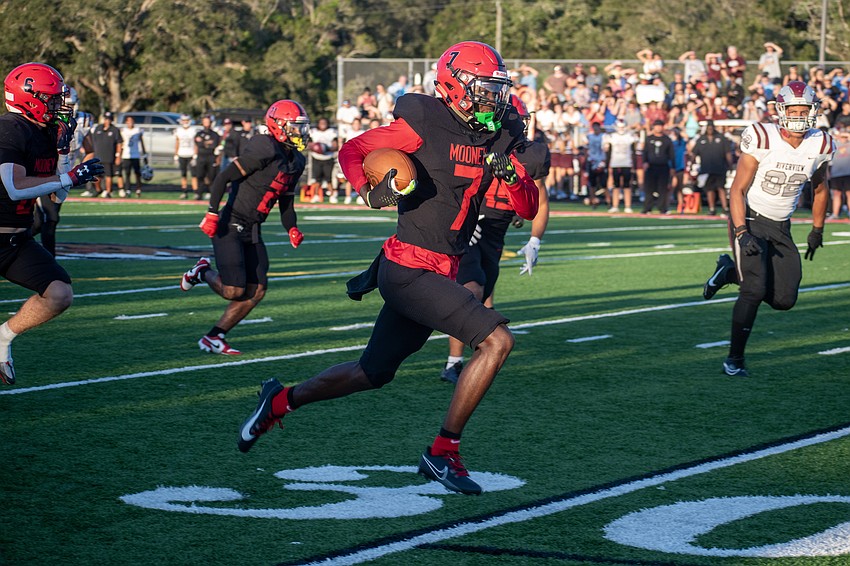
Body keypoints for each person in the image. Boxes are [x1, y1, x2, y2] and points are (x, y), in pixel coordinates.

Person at [235, 41, 538, 496]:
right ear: (454, 84)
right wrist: (368, 190)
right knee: (497, 341)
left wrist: (512, 177)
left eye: (497, 89)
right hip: (408, 268)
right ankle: (443, 453)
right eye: (484, 88)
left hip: (442, 268)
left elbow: (528, 207)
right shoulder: (425, 121)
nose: (493, 98)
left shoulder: (496, 135)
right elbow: (353, 151)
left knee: (371, 373)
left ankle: (279, 401)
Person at [702, 82, 834, 377]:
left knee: (785, 300)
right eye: (793, 111)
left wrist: (817, 229)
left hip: (781, 225)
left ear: (813, 112)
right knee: (754, 289)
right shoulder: (763, 137)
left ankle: (729, 272)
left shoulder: (821, 143)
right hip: (750, 218)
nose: (799, 116)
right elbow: (737, 190)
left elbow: (820, 188)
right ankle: (734, 360)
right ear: (781, 111)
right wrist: (741, 231)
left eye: (804, 111)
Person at [0, 62, 103, 385]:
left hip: (16, 239)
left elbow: (57, 197)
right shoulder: (9, 129)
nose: (59, 105)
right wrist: (70, 176)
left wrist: (64, 155)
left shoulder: (44, 132)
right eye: (53, 98)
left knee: (59, 294)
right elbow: (14, 187)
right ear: (30, 97)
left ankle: (2, 338)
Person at [180, 100, 309, 355]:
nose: (300, 132)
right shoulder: (264, 147)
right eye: (295, 126)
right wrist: (212, 212)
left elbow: (286, 201)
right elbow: (223, 177)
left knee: (257, 290)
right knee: (234, 290)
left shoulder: (297, 160)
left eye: (301, 127)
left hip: (253, 228)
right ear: (278, 125)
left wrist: (291, 228)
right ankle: (202, 272)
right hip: (230, 222)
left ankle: (214, 337)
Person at [441, 94, 550, 383]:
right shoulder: (479, 144)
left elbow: (539, 199)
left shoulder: (532, 154)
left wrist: (535, 239)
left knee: (485, 298)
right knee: (471, 291)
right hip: (471, 227)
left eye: (521, 121)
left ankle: (478, 358)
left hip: (496, 234)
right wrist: (464, 221)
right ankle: (453, 363)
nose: (518, 126)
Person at [689, 120, 732, 215]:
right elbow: (694, 153)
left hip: (720, 168)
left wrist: (730, 165)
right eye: (708, 128)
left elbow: (728, 153)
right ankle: (712, 208)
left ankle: (725, 208)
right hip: (706, 168)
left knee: (721, 187)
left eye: (711, 128)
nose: (710, 129)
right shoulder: (701, 139)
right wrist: (690, 165)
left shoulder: (721, 138)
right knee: (709, 189)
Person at [81, 112, 121, 198]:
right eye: (106, 119)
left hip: (109, 156)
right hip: (97, 156)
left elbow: (119, 143)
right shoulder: (98, 128)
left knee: (108, 175)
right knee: (96, 175)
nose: (107, 121)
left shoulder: (115, 130)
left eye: (109, 119)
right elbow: (91, 141)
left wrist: (118, 155)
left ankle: (108, 192)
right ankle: (98, 190)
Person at [604, 120, 638, 213]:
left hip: (627, 163)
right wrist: (608, 164)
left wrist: (634, 164)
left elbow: (633, 152)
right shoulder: (612, 137)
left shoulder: (630, 137)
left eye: (623, 127)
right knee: (616, 185)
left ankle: (628, 206)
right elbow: (609, 151)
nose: (621, 129)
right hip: (615, 163)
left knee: (627, 185)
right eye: (619, 127)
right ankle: (615, 205)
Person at [641, 119, 674, 214]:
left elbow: (671, 154)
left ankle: (662, 208)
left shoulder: (667, 139)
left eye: (660, 126)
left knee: (662, 188)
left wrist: (672, 167)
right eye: (656, 126)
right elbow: (645, 152)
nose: (658, 128)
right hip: (651, 166)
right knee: (649, 188)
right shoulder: (649, 139)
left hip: (663, 166)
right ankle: (647, 207)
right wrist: (644, 162)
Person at [308, 117, 338, 202]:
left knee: (328, 178)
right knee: (317, 178)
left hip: (328, 158)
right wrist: (315, 148)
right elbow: (309, 144)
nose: (323, 124)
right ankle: (316, 195)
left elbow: (335, 145)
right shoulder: (313, 132)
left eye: (324, 123)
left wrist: (325, 148)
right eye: (321, 123)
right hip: (316, 157)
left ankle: (332, 195)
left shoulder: (331, 132)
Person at [193, 115, 220, 201]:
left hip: (210, 156)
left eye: (207, 122)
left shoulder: (214, 134)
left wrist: (204, 142)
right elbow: (198, 144)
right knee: (200, 175)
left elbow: (214, 145)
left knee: (211, 175)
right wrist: (207, 143)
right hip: (201, 156)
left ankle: (210, 193)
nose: (206, 123)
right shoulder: (199, 133)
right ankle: (199, 193)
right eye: (205, 122)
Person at [119, 115, 147, 198]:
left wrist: (144, 154)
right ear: (126, 122)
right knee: (127, 173)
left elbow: (142, 142)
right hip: (126, 155)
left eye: (131, 121)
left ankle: (138, 189)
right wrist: (119, 154)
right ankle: (128, 189)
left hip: (135, 155)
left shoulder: (138, 130)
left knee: (137, 173)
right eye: (128, 121)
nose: (130, 123)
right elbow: (121, 143)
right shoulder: (123, 131)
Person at [173, 114, 196, 199]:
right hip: (181, 154)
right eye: (184, 120)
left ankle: (196, 192)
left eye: (187, 120)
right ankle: (184, 191)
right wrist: (175, 154)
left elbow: (195, 143)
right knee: (183, 174)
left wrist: (195, 155)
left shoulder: (193, 130)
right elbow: (177, 142)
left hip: (191, 154)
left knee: (194, 174)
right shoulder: (178, 131)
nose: (185, 122)